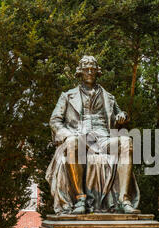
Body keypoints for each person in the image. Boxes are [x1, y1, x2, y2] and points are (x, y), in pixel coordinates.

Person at [46, 56, 140, 215]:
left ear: (98, 71)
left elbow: (120, 116)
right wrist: (67, 135)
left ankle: (124, 200)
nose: (89, 72)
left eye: (92, 68)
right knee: (72, 143)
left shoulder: (109, 97)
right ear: (80, 72)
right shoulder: (67, 96)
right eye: (86, 69)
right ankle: (80, 199)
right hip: (79, 137)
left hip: (104, 138)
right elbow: (55, 120)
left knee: (126, 142)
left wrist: (121, 117)